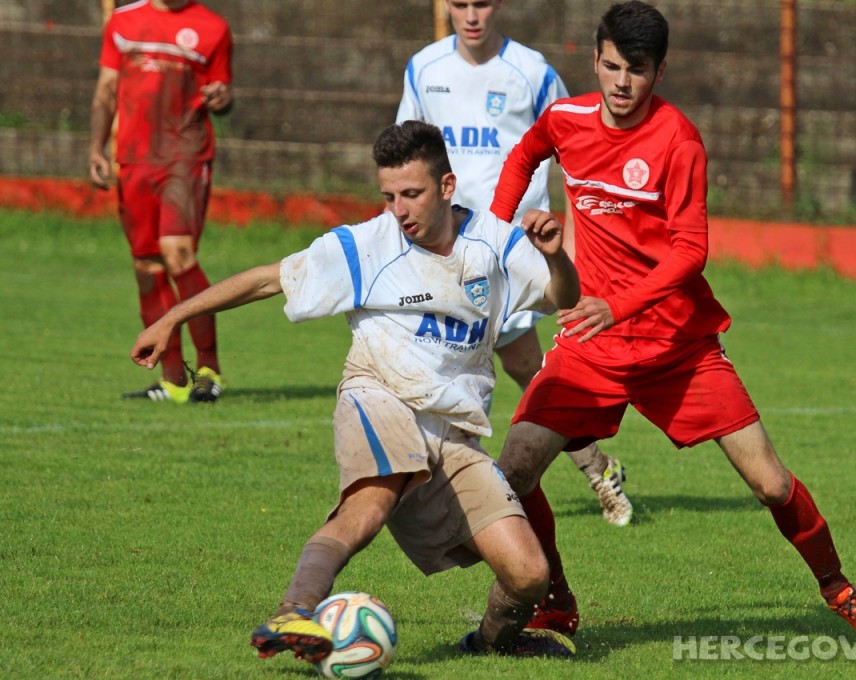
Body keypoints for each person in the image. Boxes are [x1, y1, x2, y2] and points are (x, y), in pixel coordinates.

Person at [489, 1, 856, 651]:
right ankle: (558, 601)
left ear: (659, 71)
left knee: (769, 481)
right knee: (514, 471)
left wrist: (617, 304)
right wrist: (495, 231)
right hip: (592, 346)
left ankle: (838, 588)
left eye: (638, 70)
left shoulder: (677, 139)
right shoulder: (565, 120)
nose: (622, 83)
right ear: (594, 59)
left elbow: (690, 251)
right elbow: (522, 155)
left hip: (677, 345)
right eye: (612, 66)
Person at [129, 120, 581, 661]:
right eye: (388, 196)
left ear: (446, 186)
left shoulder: (495, 242)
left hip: (454, 431)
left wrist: (555, 255)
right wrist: (173, 317)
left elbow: (560, 296)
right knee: (370, 504)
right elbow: (269, 279)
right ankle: (294, 611)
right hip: (379, 396)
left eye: (411, 194)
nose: (399, 210)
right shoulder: (367, 245)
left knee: (529, 575)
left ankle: (486, 646)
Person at [397, 0, 634, 528]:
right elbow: (406, 154)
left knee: (512, 364)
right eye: (459, 4)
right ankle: (594, 469)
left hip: (511, 247)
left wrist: (572, 239)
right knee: (478, 362)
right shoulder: (424, 68)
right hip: (445, 244)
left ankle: (459, 495)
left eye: (481, 3)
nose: (471, 14)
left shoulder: (532, 71)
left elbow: (579, 153)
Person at [90, 0, 232, 404]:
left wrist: (223, 97)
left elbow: (223, 93)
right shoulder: (122, 21)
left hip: (185, 157)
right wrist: (96, 148)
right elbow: (105, 91)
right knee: (147, 266)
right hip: (134, 159)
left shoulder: (213, 28)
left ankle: (208, 370)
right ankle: (172, 380)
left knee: (178, 253)